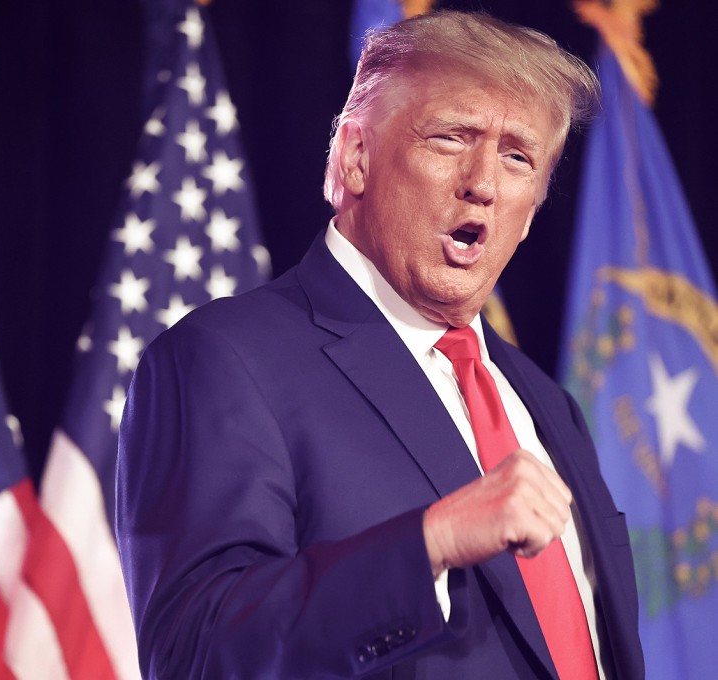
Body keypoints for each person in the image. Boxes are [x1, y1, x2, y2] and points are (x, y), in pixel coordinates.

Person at [116, 11, 645, 679]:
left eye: (518, 156)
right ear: (355, 157)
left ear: (533, 208)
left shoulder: (547, 405)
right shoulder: (224, 360)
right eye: (452, 137)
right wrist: (431, 542)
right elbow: (194, 652)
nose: (483, 182)